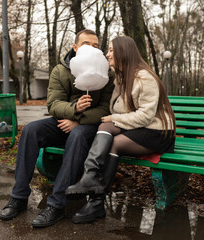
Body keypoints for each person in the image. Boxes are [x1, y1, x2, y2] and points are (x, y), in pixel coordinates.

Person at [0, 29, 114, 228]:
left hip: (88, 129)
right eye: (87, 44)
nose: (93, 49)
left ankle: (57, 204)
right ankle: (19, 197)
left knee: (77, 134)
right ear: (75, 47)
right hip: (63, 122)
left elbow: (105, 109)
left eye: (96, 46)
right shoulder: (60, 71)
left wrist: (79, 120)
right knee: (30, 130)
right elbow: (53, 105)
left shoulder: (106, 74)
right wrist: (75, 109)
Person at [65, 36, 176, 224]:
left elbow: (145, 116)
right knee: (105, 126)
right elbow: (117, 110)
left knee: (114, 143)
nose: (107, 54)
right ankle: (89, 176)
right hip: (138, 127)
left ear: (123, 53)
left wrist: (115, 119)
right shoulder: (121, 77)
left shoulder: (145, 77)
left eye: (110, 50)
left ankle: (96, 203)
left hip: (157, 131)